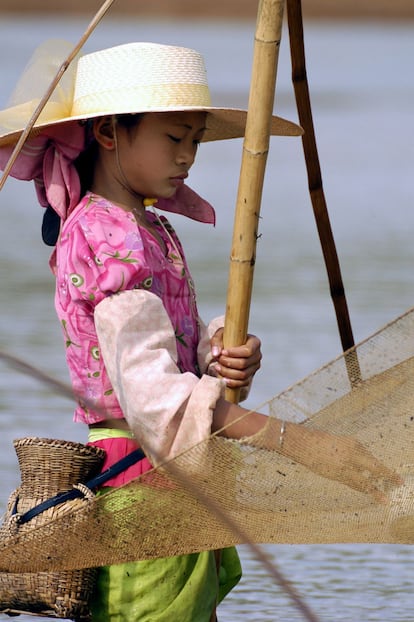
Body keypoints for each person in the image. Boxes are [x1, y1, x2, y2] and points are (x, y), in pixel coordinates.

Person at [0, 40, 401, 621]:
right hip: (137, 478)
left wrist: (220, 358)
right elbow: (156, 404)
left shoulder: (149, 226)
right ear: (111, 132)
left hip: (179, 476)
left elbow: (171, 368)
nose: (188, 156)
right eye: (174, 137)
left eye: (193, 140)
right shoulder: (103, 238)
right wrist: (307, 445)